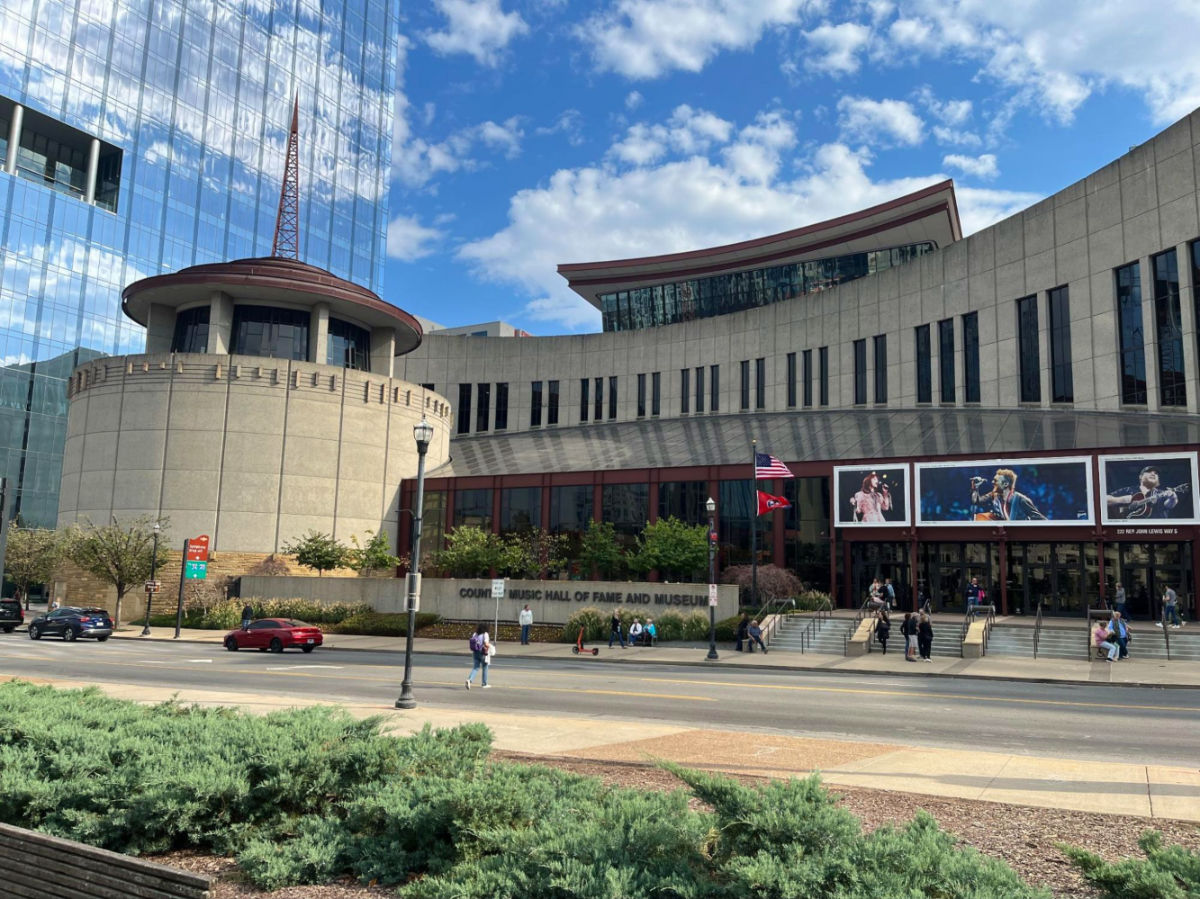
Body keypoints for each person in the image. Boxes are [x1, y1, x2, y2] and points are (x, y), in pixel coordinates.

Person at [1106, 466, 1184, 520]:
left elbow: (1169, 505)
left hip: (1157, 530)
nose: (1153, 474)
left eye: (1156, 473)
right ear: (1140, 476)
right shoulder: (1129, 490)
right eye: (1149, 472)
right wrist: (1121, 500)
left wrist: (1173, 497)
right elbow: (1104, 500)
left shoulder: (1162, 493)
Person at [970, 468, 1046, 521]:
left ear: (1006, 484)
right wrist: (975, 487)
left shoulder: (1021, 499)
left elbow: (1040, 518)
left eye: (995, 480)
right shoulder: (993, 495)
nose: (992, 482)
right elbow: (975, 501)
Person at [465, 623, 491, 689]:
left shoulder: (475, 634)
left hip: (475, 652)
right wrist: (490, 646)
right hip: (482, 652)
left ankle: (469, 680)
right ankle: (484, 683)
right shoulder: (485, 634)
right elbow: (486, 644)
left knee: (476, 667)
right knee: (485, 667)